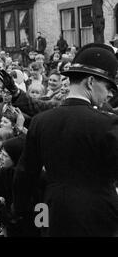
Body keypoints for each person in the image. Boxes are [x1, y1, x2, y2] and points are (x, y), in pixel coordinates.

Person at [14, 43, 118, 236]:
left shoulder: (39, 122)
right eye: (108, 86)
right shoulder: (108, 125)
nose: (111, 94)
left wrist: (21, 211)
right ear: (90, 82)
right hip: (99, 215)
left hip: (49, 210)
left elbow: (25, 174)